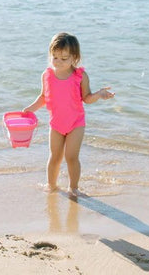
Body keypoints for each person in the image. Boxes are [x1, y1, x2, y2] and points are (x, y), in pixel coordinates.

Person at [23, 32, 114, 196]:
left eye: (64, 59)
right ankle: (51, 186)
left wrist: (99, 95)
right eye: (55, 57)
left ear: (74, 58)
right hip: (56, 124)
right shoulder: (47, 75)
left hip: (76, 123)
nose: (58, 62)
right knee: (55, 157)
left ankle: (74, 188)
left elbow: (86, 98)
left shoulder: (80, 76)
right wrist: (29, 109)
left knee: (71, 157)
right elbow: (44, 97)